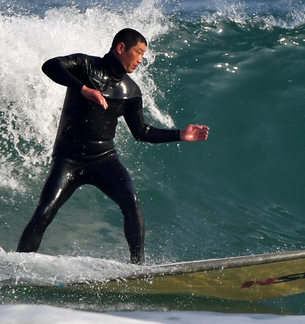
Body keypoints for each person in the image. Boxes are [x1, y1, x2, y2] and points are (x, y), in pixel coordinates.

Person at [17, 28, 209, 264]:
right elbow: (50, 65)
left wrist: (180, 134)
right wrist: (84, 89)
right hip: (68, 158)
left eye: (143, 55)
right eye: (138, 53)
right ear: (121, 48)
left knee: (131, 202)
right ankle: (19, 267)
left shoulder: (131, 92)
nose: (140, 60)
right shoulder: (85, 66)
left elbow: (142, 132)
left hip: (103, 159)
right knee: (45, 210)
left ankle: (138, 268)